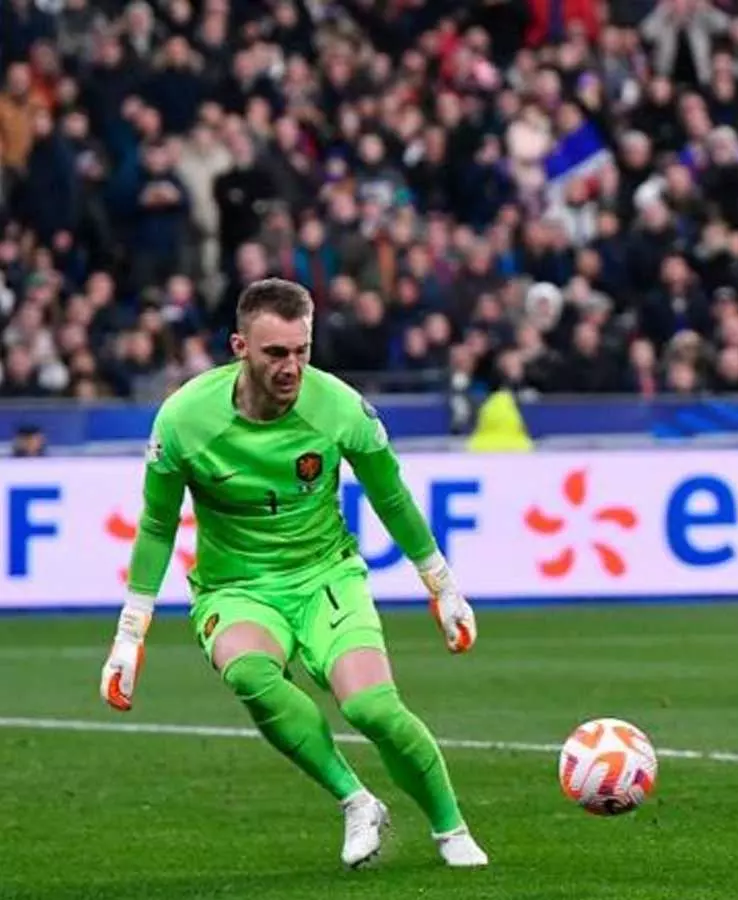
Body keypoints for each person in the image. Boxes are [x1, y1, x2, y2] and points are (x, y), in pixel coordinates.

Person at [98, 278, 487, 869]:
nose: (291, 367)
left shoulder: (339, 407)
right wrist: (130, 635)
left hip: (326, 576)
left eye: (301, 351)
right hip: (235, 588)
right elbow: (156, 524)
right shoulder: (184, 419)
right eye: (275, 353)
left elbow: (391, 497)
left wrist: (443, 586)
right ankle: (356, 800)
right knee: (252, 676)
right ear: (239, 348)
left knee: (373, 710)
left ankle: (451, 828)